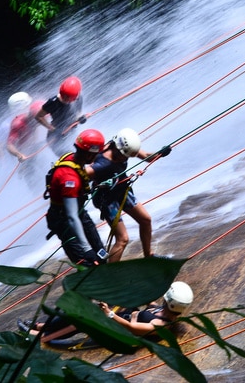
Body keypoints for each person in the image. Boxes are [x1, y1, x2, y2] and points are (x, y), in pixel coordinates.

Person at [19, 281, 194, 343]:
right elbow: (147, 302)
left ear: (170, 302)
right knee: (86, 308)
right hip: (122, 317)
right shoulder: (162, 311)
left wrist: (109, 313)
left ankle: (41, 334)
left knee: (82, 321)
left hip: (119, 328)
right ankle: (42, 326)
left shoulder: (159, 325)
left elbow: (131, 327)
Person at [86, 128, 167, 262]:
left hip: (122, 191)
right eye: (125, 156)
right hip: (107, 200)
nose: (127, 158)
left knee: (145, 220)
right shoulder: (102, 163)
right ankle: (110, 273)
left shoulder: (125, 149)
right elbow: (83, 175)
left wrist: (161, 153)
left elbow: (146, 156)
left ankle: (148, 255)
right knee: (123, 239)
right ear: (117, 150)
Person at [45, 128, 108, 267]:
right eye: (95, 154)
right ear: (89, 154)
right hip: (64, 219)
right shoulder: (69, 180)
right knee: (86, 262)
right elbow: (71, 216)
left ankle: (105, 270)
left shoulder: (71, 157)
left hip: (79, 213)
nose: (96, 157)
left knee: (101, 253)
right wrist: (87, 249)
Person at [35, 76, 87, 156]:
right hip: (55, 136)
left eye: (68, 98)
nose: (65, 100)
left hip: (70, 131)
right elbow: (38, 116)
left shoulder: (78, 98)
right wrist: (53, 130)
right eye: (64, 97)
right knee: (68, 157)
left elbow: (77, 113)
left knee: (82, 153)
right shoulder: (53, 102)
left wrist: (80, 118)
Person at [6, 92, 45, 162]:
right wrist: (19, 155)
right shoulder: (18, 124)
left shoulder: (39, 108)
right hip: (24, 151)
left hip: (35, 146)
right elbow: (9, 145)